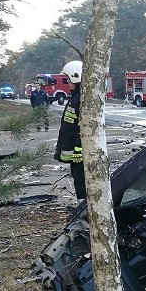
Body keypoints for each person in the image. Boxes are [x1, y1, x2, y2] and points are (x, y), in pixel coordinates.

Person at [54, 60, 86, 201]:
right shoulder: (74, 98)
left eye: (68, 79)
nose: (67, 82)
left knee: (80, 178)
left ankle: (83, 206)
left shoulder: (80, 99)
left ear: (76, 77)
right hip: (74, 147)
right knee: (77, 175)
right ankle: (82, 204)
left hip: (79, 149)